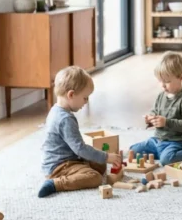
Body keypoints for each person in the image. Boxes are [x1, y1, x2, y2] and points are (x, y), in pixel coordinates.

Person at [38, 66, 123, 198]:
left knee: (99, 164)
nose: (86, 102)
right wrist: (107, 156)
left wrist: (101, 158)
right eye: (85, 98)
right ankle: (55, 184)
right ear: (71, 95)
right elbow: (80, 149)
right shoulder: (65, 119)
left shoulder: (56, 110)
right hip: (59, 166)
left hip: (65, 160)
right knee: (94, 177)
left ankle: (80, 169)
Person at [129, 51, 182, 165]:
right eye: (160, 81)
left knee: (166, 160)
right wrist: (151, 119)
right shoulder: (161, 96)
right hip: (157, 140)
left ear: (181, 77)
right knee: (132, 151)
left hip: (177, 143)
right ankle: (161, 153)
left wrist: (166, 122)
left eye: (167, 81)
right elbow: (155, 111)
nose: (162, 85)